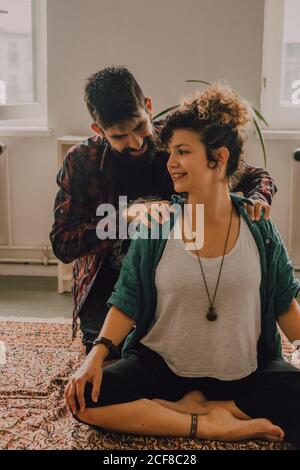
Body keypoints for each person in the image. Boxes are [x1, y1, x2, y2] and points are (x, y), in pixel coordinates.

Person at [65, 84, 300, 446]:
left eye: (183, 152)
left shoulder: (260, 228)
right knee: (85, 399)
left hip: (245, 372)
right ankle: (207, 421)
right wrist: (95, 357)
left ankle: (217, 406)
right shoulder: (158, 224)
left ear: (218, 159)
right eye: (170, 152)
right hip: (163, 366)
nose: (170, 162)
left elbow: (288, 313)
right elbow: (126, 301)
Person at [50, 66, 277, 356]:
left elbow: (256, 176)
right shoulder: (82, 161)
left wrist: (259, 197)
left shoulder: (177, 143)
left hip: (176, 281)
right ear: (98, 130)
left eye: (138, 126)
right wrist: (123, 219)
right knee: (110, 369)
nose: (136, 142)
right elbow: (62, 244)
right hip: (106, 287)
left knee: (189, 360)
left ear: (148, 107)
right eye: (120, 136)